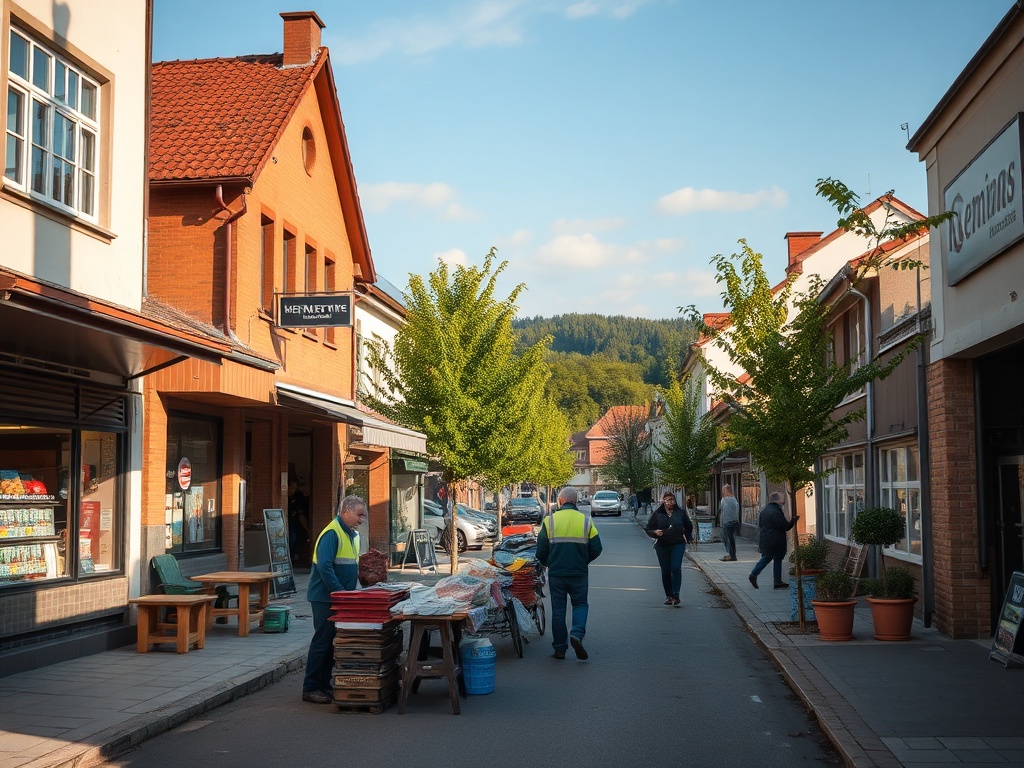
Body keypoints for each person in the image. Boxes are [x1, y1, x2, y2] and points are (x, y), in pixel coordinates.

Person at [301, 494, 367, 704]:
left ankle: (323, 684)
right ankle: (311, 687)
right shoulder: (332, 533)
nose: (362, 519)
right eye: (359, 515)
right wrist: (339, 592)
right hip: (325, 598)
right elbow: (325, 567)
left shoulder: (352, 535)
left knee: (332, 643)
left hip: (340, 597)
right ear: (346, 511)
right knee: (322, 641)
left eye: (363, 515)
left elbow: (350, 565)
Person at [536, 486, 602, 660]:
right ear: (575, 501)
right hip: (579, 572)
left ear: (560, 501)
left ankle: (559, 649)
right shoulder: (585, 521)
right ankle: (577, 634)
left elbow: (540, 551)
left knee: (558, 610)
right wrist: (583, 561)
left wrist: (549, 563)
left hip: (557, 574)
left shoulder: (549, 521)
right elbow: (597, 548)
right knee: (580, 604)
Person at [645, 491, 693, 606]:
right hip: (662, 545)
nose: (671, 502)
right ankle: (669, 595)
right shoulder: (658, 513)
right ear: (664, 501)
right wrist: (655, 532)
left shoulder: (680, 513)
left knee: (676, 568)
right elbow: (649, 528)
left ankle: (676, 594)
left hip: (678, 543)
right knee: (666, 570)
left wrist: (688, 537)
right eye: (668, 500)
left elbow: (688, 526)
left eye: (673, 500)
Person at [748, 492, 798, 590]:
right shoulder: (776, 512)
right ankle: (754, 574)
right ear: (777, 500)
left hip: (766, 538)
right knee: (770, 558)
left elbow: (761, 525)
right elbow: (786, 526)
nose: (784, 500)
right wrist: (793, 520)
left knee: (773, 558)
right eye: (782, 498)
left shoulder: (765, 510)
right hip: (775, 540)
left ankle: (777, 581)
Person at [287, 480, 310, 564]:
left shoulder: (297, 498)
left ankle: (292, 555)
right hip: (287, 523)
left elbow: (301, 515)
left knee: (294, 536)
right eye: (291, 487)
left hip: (293, 524)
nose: (292, 490)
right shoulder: (283, 498)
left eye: (294, 488)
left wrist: (307, 529)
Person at [719, 484, 740, 562]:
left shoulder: (724, 500)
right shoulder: (734, 499)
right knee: (732, 538)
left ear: (726, 491)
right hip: (734, 521)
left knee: (727, 538)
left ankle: (731, 555)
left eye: (723, 490)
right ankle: (732, 554)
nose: (722, 492)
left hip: (726, 521)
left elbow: (721, 509)